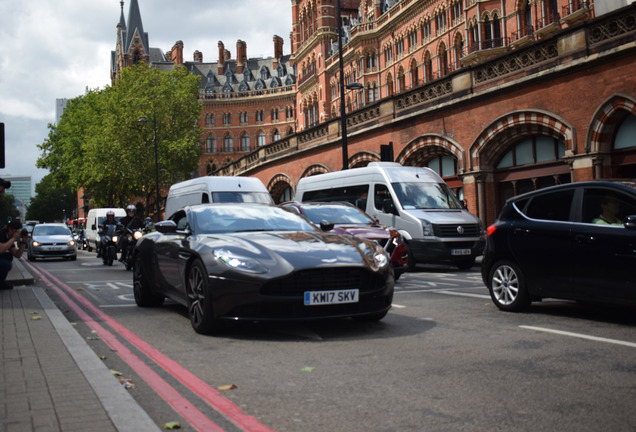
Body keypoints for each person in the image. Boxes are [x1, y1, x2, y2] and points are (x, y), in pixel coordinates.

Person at [0, 220, 28, 290]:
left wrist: (23, 243)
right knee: (5, 263)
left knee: (7, 260)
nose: (18, 233)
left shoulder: (9, 238)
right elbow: (1, 249)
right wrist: (13, 238)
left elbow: (17, 254)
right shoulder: (1, 234)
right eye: (16, 230)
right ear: (10, 229)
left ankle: (1, 283)